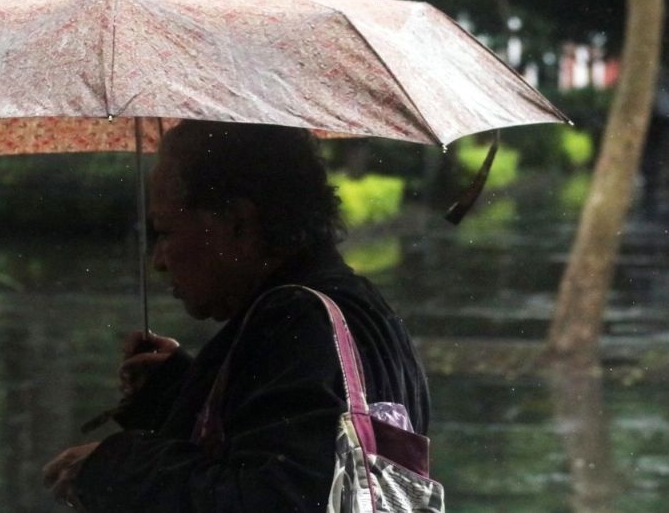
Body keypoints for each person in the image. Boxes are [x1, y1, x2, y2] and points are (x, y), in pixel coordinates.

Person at [43, 121, 430, 512]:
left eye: (164, 231)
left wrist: (114, 469)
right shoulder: (358, 309)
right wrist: (179, 392)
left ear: (237, 223)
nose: (158, 261)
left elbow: (272, 499)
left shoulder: (299, 323)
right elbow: (286, 447)